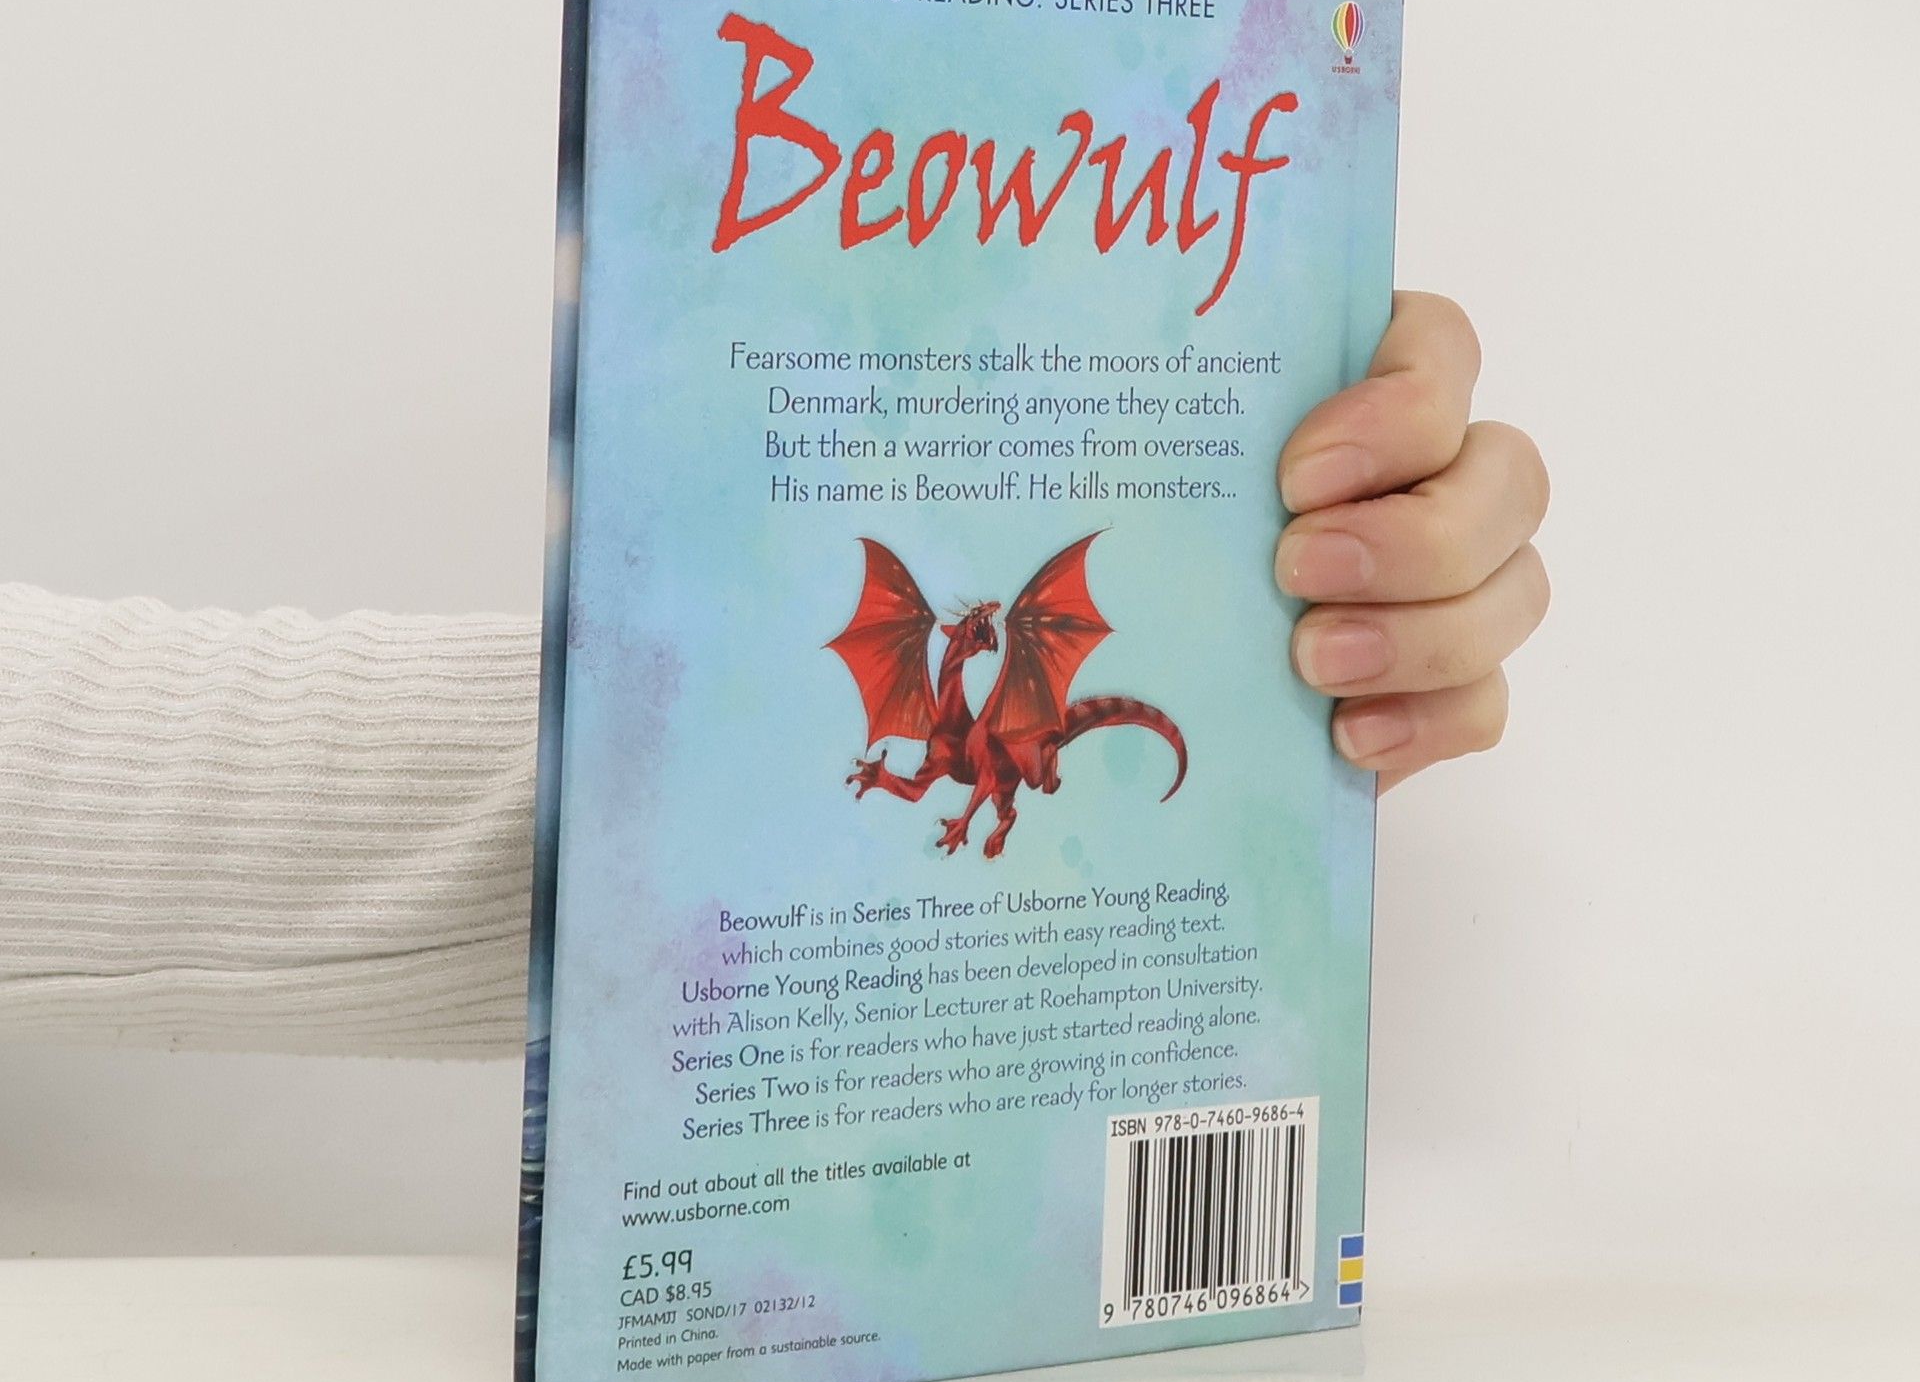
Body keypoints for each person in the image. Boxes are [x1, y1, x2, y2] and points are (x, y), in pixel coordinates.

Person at [0, 292, 1547, 1058]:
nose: (954, 649)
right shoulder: (929, 694)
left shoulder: (994, 693)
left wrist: (1254, 667)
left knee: (989, 766)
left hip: (988, 788)